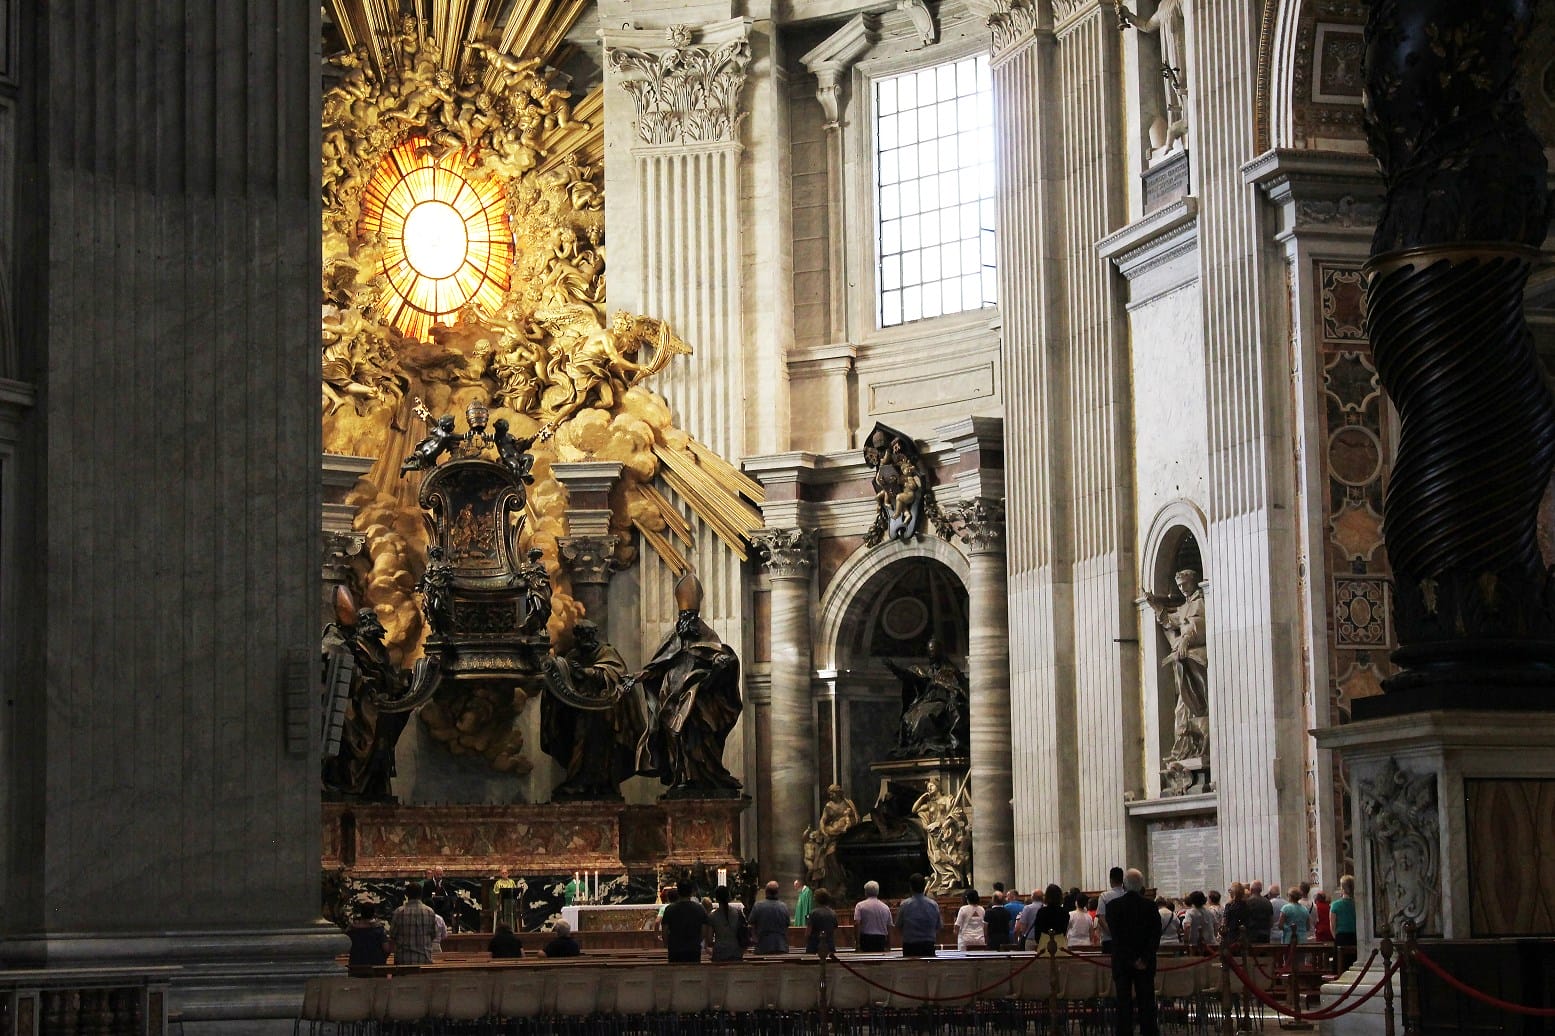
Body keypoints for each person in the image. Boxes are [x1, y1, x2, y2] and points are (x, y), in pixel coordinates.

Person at [631, 572, 743, 795]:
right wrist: (638, 676)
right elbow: (658, 664)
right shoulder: (673, 638)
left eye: (691, 615)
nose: (686, 620)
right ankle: (680, 775)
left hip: (697, 699)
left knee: (695, 737)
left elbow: (722, 658)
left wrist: (722, 662)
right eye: (684, 615)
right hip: (670, 697)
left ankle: (700, 775)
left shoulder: (707, 635)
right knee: (674, 736)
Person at [538, 620, 647, 799]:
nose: (585, 640)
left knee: (599, 750)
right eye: (581, 636)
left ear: (593, 634)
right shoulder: (573, 655)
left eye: (588, 635)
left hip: (605, 715)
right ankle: (579, 781)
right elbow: (563, 680)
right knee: (580, 746)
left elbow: (614, 675)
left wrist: (586, 672)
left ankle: (600, 784)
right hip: (580, 714)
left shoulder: (606, 652)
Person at [1106, 869, 1162, 1036]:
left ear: (1124, 885)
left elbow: (1117, 937)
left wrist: (1131, 958)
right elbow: (1155, 936)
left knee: (1123, 1003)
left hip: (1122, 962)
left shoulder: (1113, 907)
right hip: (1145, 963)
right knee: (1146, 1002)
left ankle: (1124, 1032)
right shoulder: (1151, 906)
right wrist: (1143, 958)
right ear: (1141, 887)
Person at [659, 880, 711, 962]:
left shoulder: (670, 909)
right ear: (691, 892)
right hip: (693, 948)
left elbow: (664, 929)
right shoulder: (699, 908)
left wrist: (667, 944)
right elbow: (704, 929)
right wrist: (697, 941)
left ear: (678, 892)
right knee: (694, 973)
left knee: (675, 972)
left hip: (675, 949)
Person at [389, 882, 438, 964]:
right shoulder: (429, 912)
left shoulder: (399, 912)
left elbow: (393, 935)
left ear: (407, 895)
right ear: (421, 894)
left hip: (403, 960)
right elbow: (434, 934)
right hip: (424, 958)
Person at [896, 872, 942, 957]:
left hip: (910, 945)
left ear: (910, 887)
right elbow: (939, 926)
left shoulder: (904, 905)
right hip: (928, 945)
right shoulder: (933, 904)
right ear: (925, 887)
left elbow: (898, 925)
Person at [750, 880, 792, 954]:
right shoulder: (784, 907)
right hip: (781, 946)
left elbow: (752, 924)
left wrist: (754, 938)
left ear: (766, 892)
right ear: (777, 892)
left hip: (763, 945)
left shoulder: (758, 906)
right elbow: (787, 925)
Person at [707, 885, 747, 961]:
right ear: (729, 897)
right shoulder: (738, 913)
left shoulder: (712, 916)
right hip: (735, 951)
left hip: (719, 953)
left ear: (716, 898)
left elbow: (709, 939)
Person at [854, 881, 892, 952]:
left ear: (866, 892)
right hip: (881, 939)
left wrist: (857, 944)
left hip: (866, 939)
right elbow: (889, 926)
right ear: (877, 892)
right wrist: (889, 945)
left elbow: (857, 923)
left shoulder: (860, 906)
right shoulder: (885, 907)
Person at [1331, 876, 1358, 967]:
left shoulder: (1335, 905)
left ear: (1342, 888)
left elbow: (1333, 925)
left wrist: (1336, 937)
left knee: (1341, 965)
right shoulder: (1357, 904)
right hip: (1355, 937)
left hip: (1341, 937)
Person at [1097, 867, 1126, 951]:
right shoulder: (1127, 895)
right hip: (1126, 940)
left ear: (1111, 880)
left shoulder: (1104, 896)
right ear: (1122, 879)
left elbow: (1101, 919)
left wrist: (1112, 933)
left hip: (1108, 940)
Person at [806, 888, 839, 955]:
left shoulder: (814, 913)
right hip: (829, 946)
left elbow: (808, 933)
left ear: (817, 900)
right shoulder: (833, 913)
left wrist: (807, 943)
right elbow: (835, 932)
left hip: (814, 947)